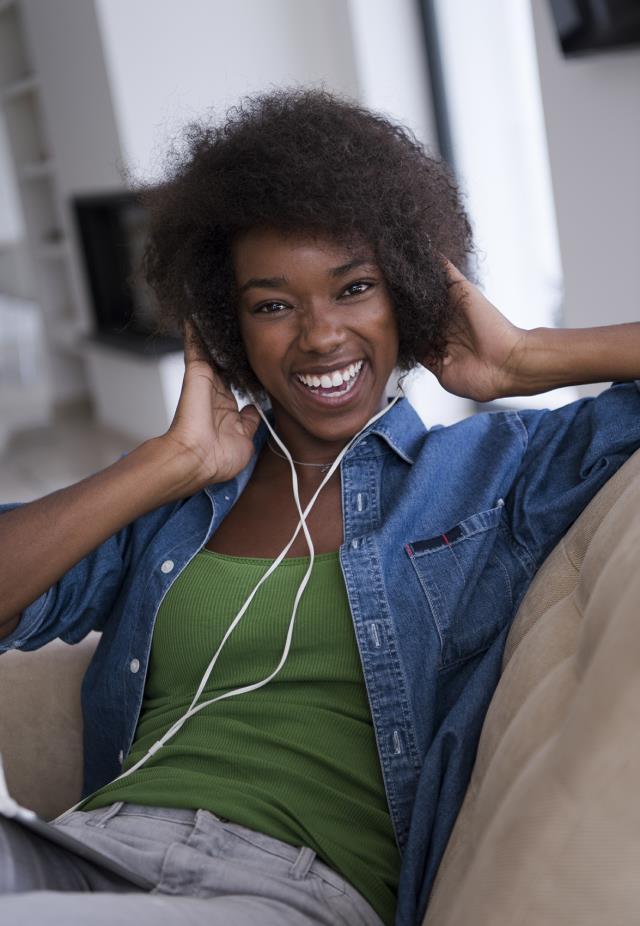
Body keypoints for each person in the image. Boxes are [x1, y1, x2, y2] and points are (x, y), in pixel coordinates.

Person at [0, 89, 639, 926]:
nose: (321, 335)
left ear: (408, 294)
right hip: (92, 849)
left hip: (284, 892)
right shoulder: (175, 499)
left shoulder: (494, 472)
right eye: (273, 304)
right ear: (227, 326)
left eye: (355, 288)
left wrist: (527, 357)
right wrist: (167, 463)